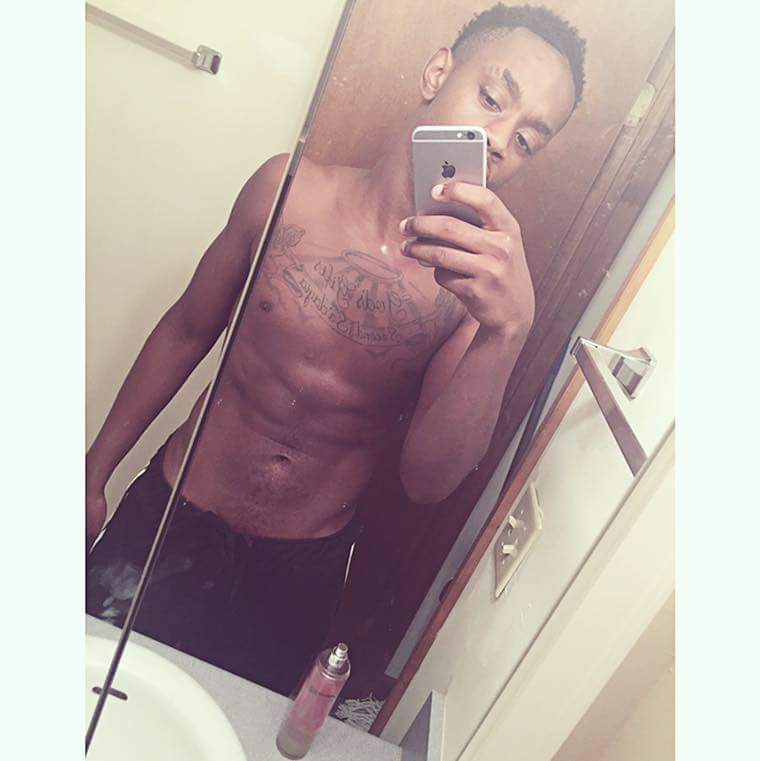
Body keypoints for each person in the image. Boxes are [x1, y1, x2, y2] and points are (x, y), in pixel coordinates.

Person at [86, 3, 586, 695]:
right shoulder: (286, 190)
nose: (499, 140)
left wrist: (507, 334)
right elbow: (187, 329)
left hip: (299, 568)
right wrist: (94, 470)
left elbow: (427, 481)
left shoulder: (471, 300)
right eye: (493, 98)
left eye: (528, 140)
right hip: (173, 513)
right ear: (437, 73)